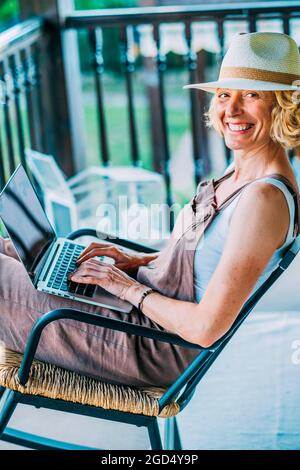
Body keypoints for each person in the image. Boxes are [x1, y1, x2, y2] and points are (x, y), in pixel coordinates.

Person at [0, 31, 300, 388]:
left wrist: (122, 286)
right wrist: (134, 259)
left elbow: (205, 329)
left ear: (284, 105)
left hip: (148, 345)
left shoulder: (263, 199)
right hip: (141, 316)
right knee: (15, 249)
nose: (230, 110)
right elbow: (206, 261)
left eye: (251, 95)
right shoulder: (243, 171)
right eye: (223, 95)